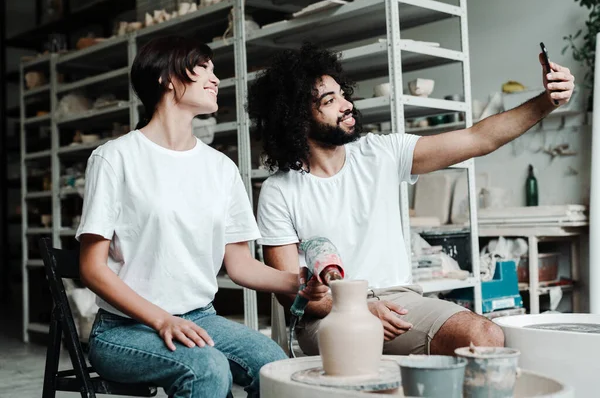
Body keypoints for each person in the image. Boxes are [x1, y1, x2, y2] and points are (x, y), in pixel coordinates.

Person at [247, 42, 575, 356]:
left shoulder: (383, 153)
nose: (347, 105)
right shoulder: (280, 191)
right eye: (330, 101)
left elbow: (479, 138)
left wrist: (546, 101)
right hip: (328, 315)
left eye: (343, 94)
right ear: (297, 118)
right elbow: (291, 293)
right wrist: (362, 308)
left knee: (486, 336)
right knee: (357, 348)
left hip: (401, 299)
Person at [75, 36, 327, 398]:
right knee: (206, 366)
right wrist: (162, 319)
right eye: (203, 67)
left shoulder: (221, 169)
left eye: (214, 70)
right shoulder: (115, 158)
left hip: (200, 317)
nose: (216, 78)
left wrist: (297, 282)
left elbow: (239, 265)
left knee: (272, 362)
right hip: (124, 329)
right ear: (167, 77)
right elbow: (92, 268)